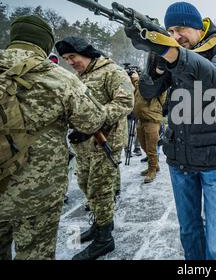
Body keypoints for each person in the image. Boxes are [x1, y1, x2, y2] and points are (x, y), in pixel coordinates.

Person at [125, 2, 216, 260]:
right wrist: (154, 59)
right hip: (180, 159)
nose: (176, 36)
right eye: (170, 31)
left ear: (199, 27)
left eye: (181, 29)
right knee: (188, 232)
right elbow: (149, 91)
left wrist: (172, 51)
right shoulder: (174, 53)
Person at [0, 16, 106, 260]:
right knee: (34, 254)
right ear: (45, 44)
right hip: (37, 191)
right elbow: (92, 121)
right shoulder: (57, 76)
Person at [56, 36, 134, 260]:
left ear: (86, 53)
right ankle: (99, 226)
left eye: (73, 57)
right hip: (83, 143)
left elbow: (124, 103)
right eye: (66, 59)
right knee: (84, 184)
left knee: (100, 189)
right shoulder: (80, 75)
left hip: (105, 141)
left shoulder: (112, 71)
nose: (70, 62)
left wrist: (93, 120)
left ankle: (105, 239)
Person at [130, 53, 167, 184]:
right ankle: (154, 165)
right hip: (140, 119)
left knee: (151, 147)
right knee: (144, 146)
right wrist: (134, 79)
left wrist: (138, 79)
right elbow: (137, 89)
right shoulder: (144, 80)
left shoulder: (158, 82)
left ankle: (152, 170)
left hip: (152, 118)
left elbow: (149, 91)